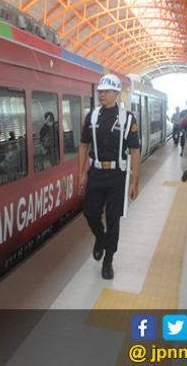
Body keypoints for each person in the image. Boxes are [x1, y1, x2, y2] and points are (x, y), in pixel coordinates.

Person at [78, 74, 141, 280]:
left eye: (105, 91)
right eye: (100, 91)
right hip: (96, 173)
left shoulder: (128, 119)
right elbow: (83, 146)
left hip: (117, 175)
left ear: (116, 93)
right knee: (90, 213)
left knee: (113, 219)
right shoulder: (92, 117)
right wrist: (81, 174)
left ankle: (108, 262)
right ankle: (101, 238)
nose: (101, 95)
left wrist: (134, 181)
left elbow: (135, 150)